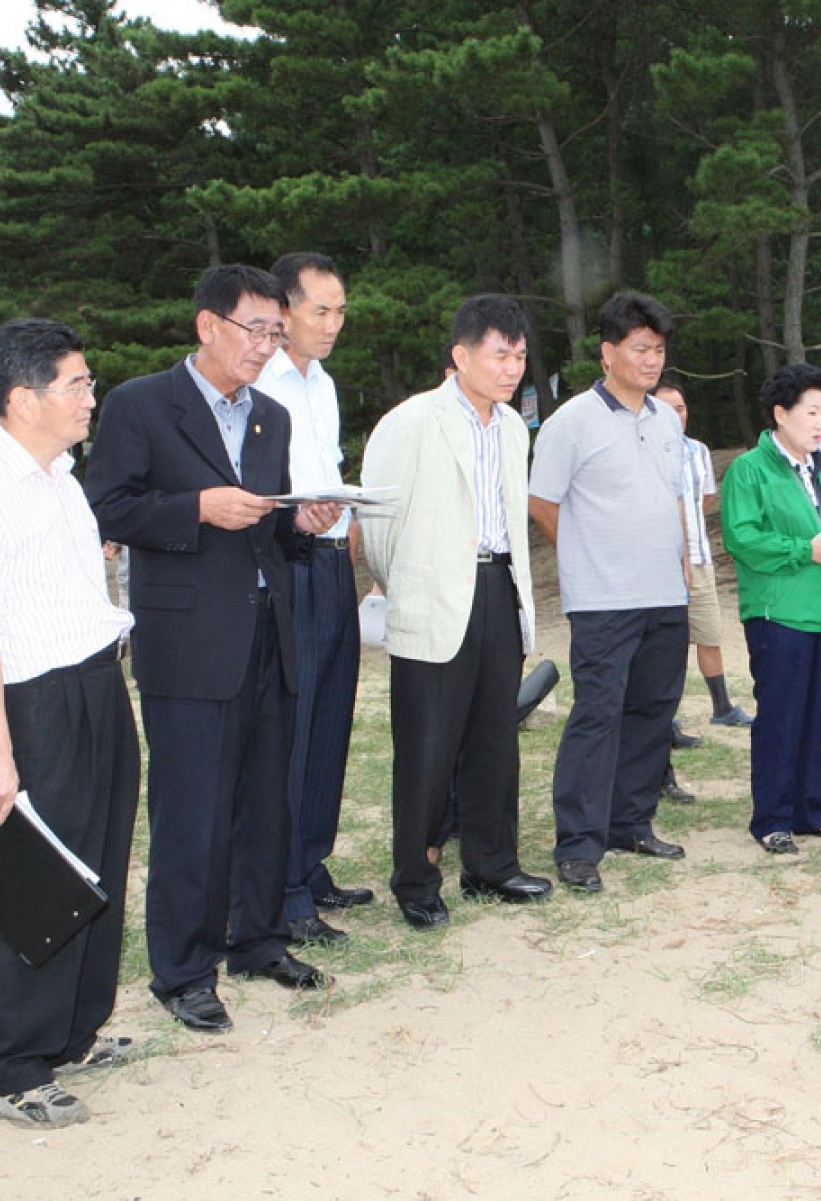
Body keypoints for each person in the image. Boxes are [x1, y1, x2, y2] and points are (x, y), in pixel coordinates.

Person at [85, 265, 337, 1035]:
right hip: (190, 643)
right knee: (192, 811)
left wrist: (301, 527)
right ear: (207, 325)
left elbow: (263, 527)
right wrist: (196, 508)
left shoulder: (271, 418)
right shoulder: (139, 406)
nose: (268, 345)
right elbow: (105, 507)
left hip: (268, 635)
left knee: (266, 798)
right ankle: (184, 970)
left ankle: (256, 937)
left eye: (275, 331)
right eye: (254, 329)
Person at [0, 319, 139, 1128]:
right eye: (77, 384)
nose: (92, 397)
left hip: (97, 685)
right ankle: (11, 1066)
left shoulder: (58, 475)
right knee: (36, 885)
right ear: (24, 398)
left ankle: (74, 1031)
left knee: (99, 866)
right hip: (37, 705)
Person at [360, 294, 553, 930]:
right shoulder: (411, 421)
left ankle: (491, 864)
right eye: (500, 354)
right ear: (461, 354)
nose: (512, 368)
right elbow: (380, 523)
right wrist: (410, 586)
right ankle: (415, 879)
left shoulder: (510, 427)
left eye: (520, 355)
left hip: (498, 588)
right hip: (435, 596)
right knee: (427, 746)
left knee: (495, 739)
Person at [529, 291, 690, 894]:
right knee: (597, 717)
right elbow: (542, 502)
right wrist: (585, 556)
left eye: (659, 350)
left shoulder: (666, 419)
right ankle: (578, 844)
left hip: (664, 594)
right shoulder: (572, 421)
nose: (651, 360)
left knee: (652, 713)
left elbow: (670, 498)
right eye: (640, 348)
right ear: (607, 352)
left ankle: (631, 823)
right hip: (602, 599)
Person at [256, 252, 372, 947]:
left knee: (332, 712)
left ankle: (312, 860)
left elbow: (324, 468)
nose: (332, 324)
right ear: (284, 309)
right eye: (319, 310)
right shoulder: (259, 381)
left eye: (340, 311)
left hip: (334, 561)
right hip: (288, 560)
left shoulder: (322, 383)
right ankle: (284, 888)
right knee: (292, 727)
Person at [721, 363, 821, 853]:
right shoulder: (749, 469)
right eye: (811, 412)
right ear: (780, 414)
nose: (820, 422)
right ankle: (772, 819)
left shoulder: (818, 470)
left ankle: (811, 812)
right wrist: (809, 550)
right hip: (777, 614)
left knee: (820, 715)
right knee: (781, 715)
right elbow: (743, 537)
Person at [661, 380, 752, 730]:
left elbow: (706, 499)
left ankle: (723, 706)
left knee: (710, 633)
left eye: (681, 408)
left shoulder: (698, 450)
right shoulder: (643, 451)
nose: (676, 415)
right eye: (667, 409)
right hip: (661, 565)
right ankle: (666, 718)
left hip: (699, 559)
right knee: (669, 645)